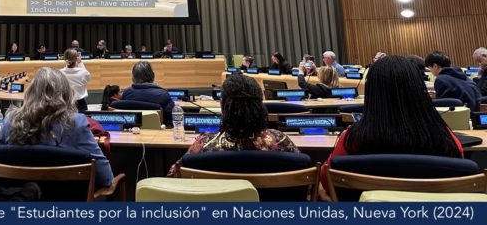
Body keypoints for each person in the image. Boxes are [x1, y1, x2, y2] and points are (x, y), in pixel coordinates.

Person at [320, 55, 464, 193]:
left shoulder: (351, 138)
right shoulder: (444, 137)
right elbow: (460, 174)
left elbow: (327, 181)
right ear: (418, 89)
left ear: (372, 93)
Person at [0, 67, 114, 188]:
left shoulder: (9, 120)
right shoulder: (76, 123)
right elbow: (105, 177)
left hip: (18, 201)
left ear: (30, 92)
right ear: (66, 94)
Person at [168, 74, 299, 176]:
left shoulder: (204, 144)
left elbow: (174, 177)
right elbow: (307, 182)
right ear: (260, 105)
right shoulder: (280, 141)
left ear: (223, 105)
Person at [121, 61, 174, 125]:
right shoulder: (163, 94)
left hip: (130, 132)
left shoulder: (126, 93)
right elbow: (172, 119)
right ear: (153, 75)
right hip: (157, 132)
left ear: (133, 78)